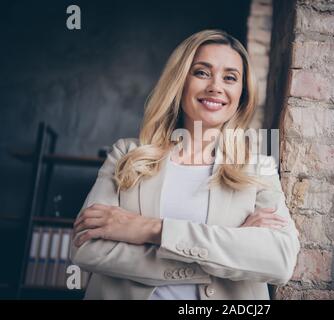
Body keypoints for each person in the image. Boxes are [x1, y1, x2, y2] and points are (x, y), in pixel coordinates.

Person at [69, 29, 300, 300]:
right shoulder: (126, 154)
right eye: (202, 72)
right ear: (180, 81)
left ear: (242, 94)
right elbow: (86, 247)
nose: (216, 86)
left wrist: (150, 229)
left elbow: (280, 259)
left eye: (230, 77)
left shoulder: (257, 166)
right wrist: (227, 251)